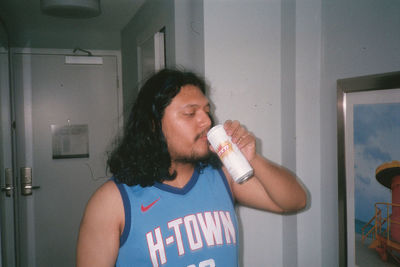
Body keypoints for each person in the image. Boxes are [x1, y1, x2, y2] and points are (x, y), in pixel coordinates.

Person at [76, 69, 307, 267]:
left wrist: (252, 158)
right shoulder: (112, 201)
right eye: (190, 113)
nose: (206, 121)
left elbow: (294, 201)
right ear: (154, 124)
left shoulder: (222, 177)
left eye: (207, 111)